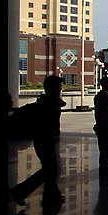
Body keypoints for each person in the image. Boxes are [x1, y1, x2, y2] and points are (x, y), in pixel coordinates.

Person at [8, 75, 66, 206]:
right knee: (49, 169)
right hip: (44, 139)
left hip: (42, 139)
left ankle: (52, 196)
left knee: (50, 168)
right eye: (58, 86)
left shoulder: (44, 100)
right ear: (52, 88)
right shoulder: (49, 102)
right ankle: (18, 192)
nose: (60, 89)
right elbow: (61, 105)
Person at [93, 76, 108, 177]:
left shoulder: (97, 96)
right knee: (107, 148)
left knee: (102, 148)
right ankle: (105, 166)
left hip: (100, 125)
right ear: (107, 85)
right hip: (107, 126)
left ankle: (103, 166)